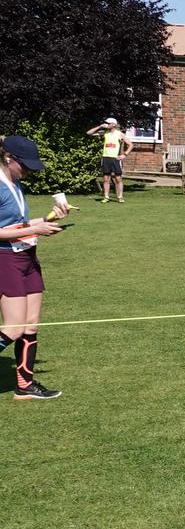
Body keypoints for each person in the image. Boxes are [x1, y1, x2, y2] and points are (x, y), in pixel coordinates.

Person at [0, 135, 73, 399]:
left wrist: (47, 219)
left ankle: (25, 386)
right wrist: (34, 229)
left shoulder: (15, 184)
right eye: (26, 166)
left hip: (28, 257)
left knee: (31, 325)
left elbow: (16, 224)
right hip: (5, 259)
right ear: (9, 159)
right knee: (14, 327)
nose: (29, 171)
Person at [88, 118, 128, 203]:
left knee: (118, 179)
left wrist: (124, 154)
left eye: (108, 123)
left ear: (113, 124)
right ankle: (106, 197)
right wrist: (99, 126)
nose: (106, 124)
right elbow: (89, 133)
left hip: (115, 159)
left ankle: (120, 196)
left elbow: (131, 144)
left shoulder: (119, 134)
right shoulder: (105, 133)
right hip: (106, 158)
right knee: (106, 179)